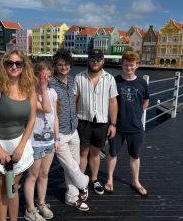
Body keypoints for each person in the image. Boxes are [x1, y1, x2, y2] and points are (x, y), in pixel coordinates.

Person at [0, 48, 36, 221]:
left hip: (18, 143)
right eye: (10, 63)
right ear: (4, 65)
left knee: (13, 187)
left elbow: (31, 120)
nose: (14, 66)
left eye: (18, 63)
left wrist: (22, 146)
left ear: (24, 66)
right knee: (2, 188)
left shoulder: (29, 87)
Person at [74, 49, 118, 195]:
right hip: (82, 120)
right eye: (92, 59)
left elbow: (112, 102)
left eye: (98, 59)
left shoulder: (110, 79)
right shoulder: (79, 77)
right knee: (82, 152)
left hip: (102, 122)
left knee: (95, 153)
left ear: (103, 61)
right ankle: (80, 182)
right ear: (88, 60)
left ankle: (93, 179)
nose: (95, 62)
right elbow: (74, 100)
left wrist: (113, 124)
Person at [50, 48, 89, 212]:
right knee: (71, 166)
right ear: (56, 66)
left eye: (66, 64)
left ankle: (71, 198)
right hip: (59, 133)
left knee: (74, 164)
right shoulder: (50, 82)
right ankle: (84, 183)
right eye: (60, 64)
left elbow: (74, 99)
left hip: (74, 129)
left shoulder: (72, 81)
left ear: (70, 66)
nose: (63, 67)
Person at [105, 51, 149, 196]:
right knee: (112, 153)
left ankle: (135, 181)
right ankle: (110, 179)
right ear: (121, 65)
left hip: (136, 127)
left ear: (137, 65)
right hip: (117, 126)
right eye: (126, 65)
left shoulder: (142, 83)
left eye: (131, 65)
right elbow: (110, 102)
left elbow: (145, 101)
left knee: (135, 155)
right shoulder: (114, 81)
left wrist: (136, 114)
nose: (128, 68)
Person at [24, 60, 60, 221]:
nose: (45, 79)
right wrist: (43, 88)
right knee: (32, 176)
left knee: (44, 174)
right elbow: (45, 108)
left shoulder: (52, 92)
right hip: (34, 142)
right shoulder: (29, 93)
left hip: (49, 141)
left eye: (48, 76)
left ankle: (41, 203)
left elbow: (54, 117)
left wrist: (57, 138)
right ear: (35, 75)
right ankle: (30, 210)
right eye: (42, 75)